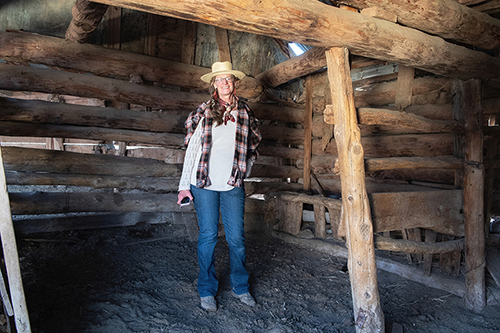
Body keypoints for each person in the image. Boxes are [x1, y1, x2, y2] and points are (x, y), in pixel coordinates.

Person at [177, 61, 262, 312]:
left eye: (229, 79)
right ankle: (206, 289)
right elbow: (191, 150)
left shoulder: (246, 112)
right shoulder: (202, 112)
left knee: (236, 238)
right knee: (208, 236)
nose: (224, 83)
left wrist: (246, 168)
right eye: (220, 79)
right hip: (204, 182)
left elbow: (254, 145)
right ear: (213, 83)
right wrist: (184, 185)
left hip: (233, 182)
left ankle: (240, 286)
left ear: (235, 83)